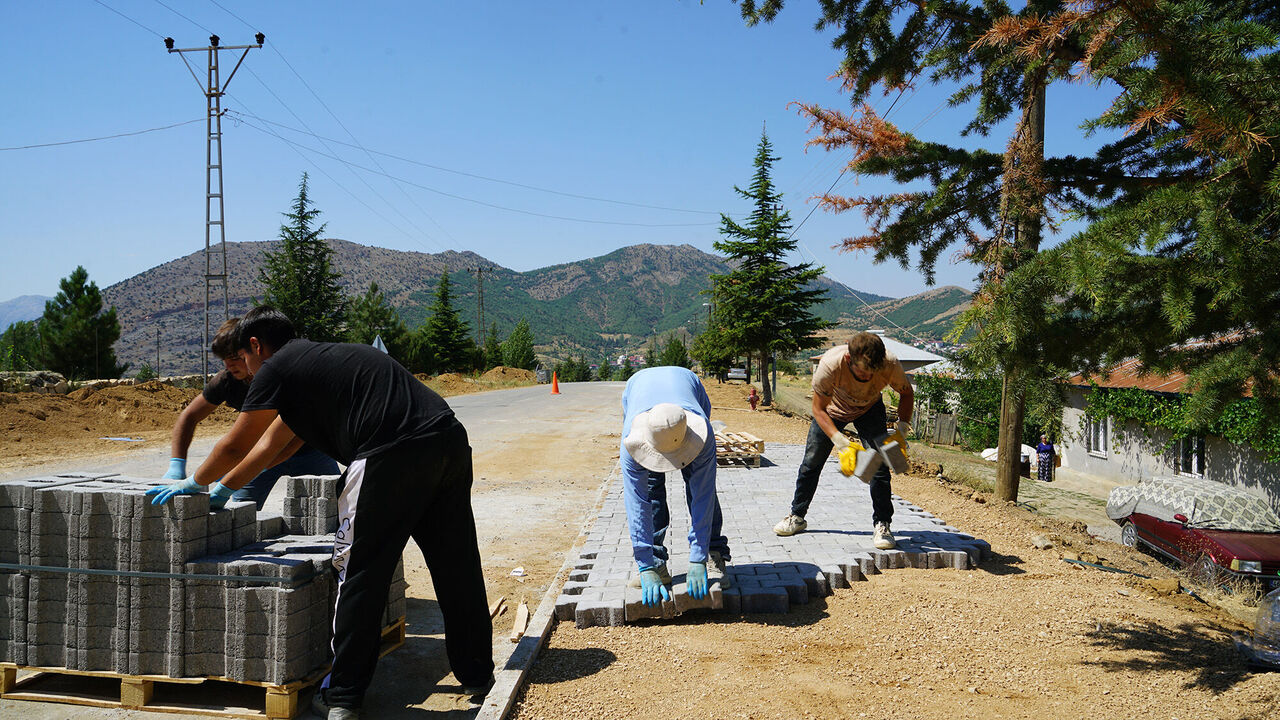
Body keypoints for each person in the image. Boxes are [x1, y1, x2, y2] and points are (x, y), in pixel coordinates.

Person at [147, 306, 493, 720]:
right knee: (456, 564)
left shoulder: (276, 369)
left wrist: (194, 482)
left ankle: (343, 696)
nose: (245, 370)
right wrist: (225, 489)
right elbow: (275, 448)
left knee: (360, 571)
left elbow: (238, 443)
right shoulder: (318, 365)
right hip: (447, 440)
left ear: (256, 346)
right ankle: (477, 674)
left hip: (389, 454)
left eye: (244, 357)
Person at [163, 317, 339, 509]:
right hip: (260, 453)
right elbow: (189, 416)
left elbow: (286, 444)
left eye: (235, 358)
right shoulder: (227, 381)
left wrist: (239, 476)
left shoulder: (286, 378)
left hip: (310, 451)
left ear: (253, 349)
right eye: (224, 360)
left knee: (336, 505)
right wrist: (177, 465)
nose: (228, 366)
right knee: (241, 512)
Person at [773, 332, 914, 550]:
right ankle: (797, 516)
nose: (868, 377)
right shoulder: (830, 365)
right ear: (849, 359)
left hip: (869, 409)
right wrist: (840, 442)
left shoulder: (890, 363)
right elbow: (818, 409)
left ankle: (882, 524)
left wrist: (901, 431)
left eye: (872, 372)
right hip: (832, 411)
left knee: (880, 466)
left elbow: (907, 393)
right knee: (811, 463)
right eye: (862, 372)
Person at [621, 366, 730, 606]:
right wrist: (645, 565)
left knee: (700, 486)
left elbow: (703, 495)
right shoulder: (631, 443)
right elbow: (637, 504)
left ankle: (713, 552)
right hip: (639, 390)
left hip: (687, 391)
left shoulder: (703, 434)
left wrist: (698, 558)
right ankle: (656, 563)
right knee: (651, 488)